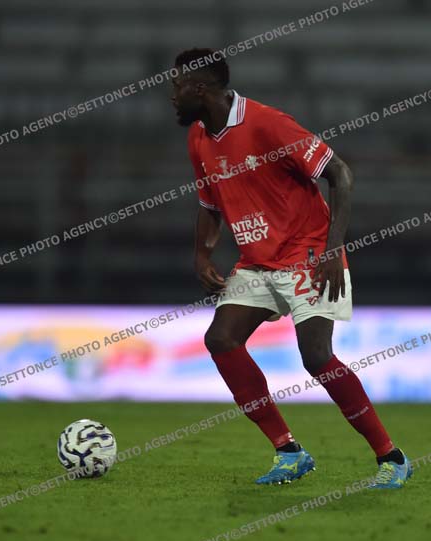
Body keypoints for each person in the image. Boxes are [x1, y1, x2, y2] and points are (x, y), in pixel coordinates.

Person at [172, 48, 412, 487]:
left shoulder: (268, 124)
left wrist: (333, 250)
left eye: (177, 86)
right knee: (221, 339)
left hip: (308, 253)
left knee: (316, 356)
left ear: (200, 88)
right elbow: (210, 205)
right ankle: (289, 451)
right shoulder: (199, 138)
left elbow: (340, 174)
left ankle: (391, 457)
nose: (172, 95)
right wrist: (202, 254)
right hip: (258, 261)